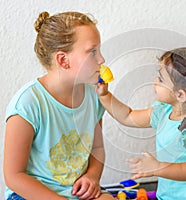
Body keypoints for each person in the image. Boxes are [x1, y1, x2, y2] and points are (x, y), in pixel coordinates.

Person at [3, 11, 114, 200]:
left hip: (75, 192)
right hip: (32, 195)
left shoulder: (93, 95)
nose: (102, 59)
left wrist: (92, 176)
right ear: (63, 60)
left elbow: (96, 149)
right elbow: (14, 176)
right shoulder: (28, 104)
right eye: (92, 52)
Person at [96, 47, 186, 200]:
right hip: (171, 195)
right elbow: (128, 116)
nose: (154, 81)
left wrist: (157, 168)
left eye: (160, 79)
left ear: (180, 94)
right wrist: (105, 95)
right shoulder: (163, 112)